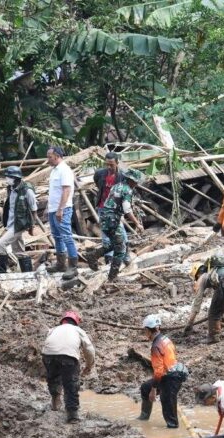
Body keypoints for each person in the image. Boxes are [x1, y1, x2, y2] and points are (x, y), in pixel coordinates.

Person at [85, 169, 145, 281]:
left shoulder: (117, 186)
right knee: (121, 249)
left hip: (104, 218)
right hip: (112, 220)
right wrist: (138, 224)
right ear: (132, 181)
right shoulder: (127, 190)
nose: (136, 184)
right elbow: (127, 209)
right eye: (136, 182)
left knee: (116, 244)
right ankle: (112, 277)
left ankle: (93, 255)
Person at [40, 310, 95, 423]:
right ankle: (73, 415)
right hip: (68, 357)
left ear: (62, 321)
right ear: (76, 322)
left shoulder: (54, 329)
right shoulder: (78, 330)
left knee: (53, 378)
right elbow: (89, 349)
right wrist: (89, 366)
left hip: (48, 355)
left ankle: (55, 401)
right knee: (70, 385)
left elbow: (48, 342)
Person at [138, 314, 188, 427]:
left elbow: (158, 371)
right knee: (145, 388)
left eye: (144, 331)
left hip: (171, 379)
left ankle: (172, 431)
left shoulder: (156, 346)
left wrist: (154, 389)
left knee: (170, 415)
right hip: (171, 373)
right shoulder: (166, 339)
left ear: (147, 330)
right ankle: (144, 417)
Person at [183, 257, 224, 343]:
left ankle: (214, 337)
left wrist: (189, 324)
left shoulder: (203, 277)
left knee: (213, 313)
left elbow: (197, 303)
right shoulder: (221, 269)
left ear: (197, 274)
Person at [46, 146, 79, 279]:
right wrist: (49, 208)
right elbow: (54, 191)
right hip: (53, 209)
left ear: (57, 156)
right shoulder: (54, 170)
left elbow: (66, 191)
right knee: (57, 236)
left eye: (49, 156)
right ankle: (61, 264)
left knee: (66, 236)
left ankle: (73, 266)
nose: (47, 159)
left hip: (62, 209)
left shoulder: (64, 170)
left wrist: (60, 209)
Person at [0, 166, 37, 273]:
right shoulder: (10, 189)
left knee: (0, 244)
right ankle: (28, 273)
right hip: (11, 224)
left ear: (15, 177)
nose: (7, 179)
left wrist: (32, 226)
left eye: (9, 177)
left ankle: (1, 273)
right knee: (18, 251)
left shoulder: (27, 191)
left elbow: (33, 209)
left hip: (19, 225)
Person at [93, 152, 129, 266]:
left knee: (120, 231)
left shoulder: (123, 176)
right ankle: (109, 258)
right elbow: (98, 185)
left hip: (115, 209)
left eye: (111, 165)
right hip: (103, 207)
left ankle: (125, 254)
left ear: (117, 163)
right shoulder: (100, 174)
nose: (109, 167)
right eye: (107, 164)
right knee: (105, 233)